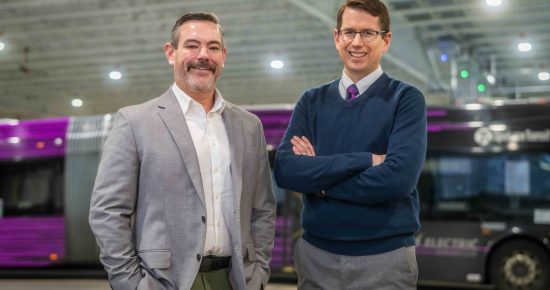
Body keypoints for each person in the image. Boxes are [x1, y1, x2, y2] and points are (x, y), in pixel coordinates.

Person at [89, 12, 276, 290]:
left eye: (213, 47)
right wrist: (129, 283)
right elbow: (107, 211)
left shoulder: (249, 126)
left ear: (223, 55)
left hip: (235, 279)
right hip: (163, 281)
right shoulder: (134, 122)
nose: (204, 55)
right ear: (170, 52)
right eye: (192, 45)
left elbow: (262, 208)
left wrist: (258, 270)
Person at [273, 0, 427, 289]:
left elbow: (398, 180)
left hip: (385, 259)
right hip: (315, 256)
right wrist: (365, 160)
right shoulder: (311, 101)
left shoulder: (406, 99)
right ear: (336, 37)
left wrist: (318, 181)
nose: (357, 42)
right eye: (349, 32)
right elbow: (285, 171)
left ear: (386, 40)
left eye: (368, 33)